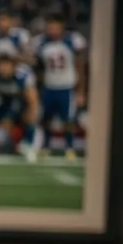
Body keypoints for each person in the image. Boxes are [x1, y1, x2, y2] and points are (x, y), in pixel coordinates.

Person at [29, 14, 87, 156]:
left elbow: (80, 65)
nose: (53, 30)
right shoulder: (41, 42)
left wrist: (80, 90)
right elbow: (37, 66)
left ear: (62, 27)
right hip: (49, 85)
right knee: (46, 117)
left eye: (56, 27)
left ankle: (69, 147)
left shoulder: (72, 40)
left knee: (68, 119)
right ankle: (46, 146)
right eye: (50, 27)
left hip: (67, 86)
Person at [0, 55, 42, 159]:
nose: (3, 69)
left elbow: (32, 100)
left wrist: (32, 115)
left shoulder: (23, 75)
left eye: (6, 65)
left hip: (18, 100)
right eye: (1, 65)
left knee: (29, 115)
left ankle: (27, 143)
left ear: (14, 66)